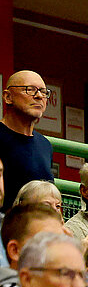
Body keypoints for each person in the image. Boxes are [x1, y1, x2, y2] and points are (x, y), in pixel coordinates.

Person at [0, 73, 53, 209]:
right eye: (30, 89)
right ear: (8, 97)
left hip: (39, 226)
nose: (39, 96)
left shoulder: (45, 145)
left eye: (43, 91)